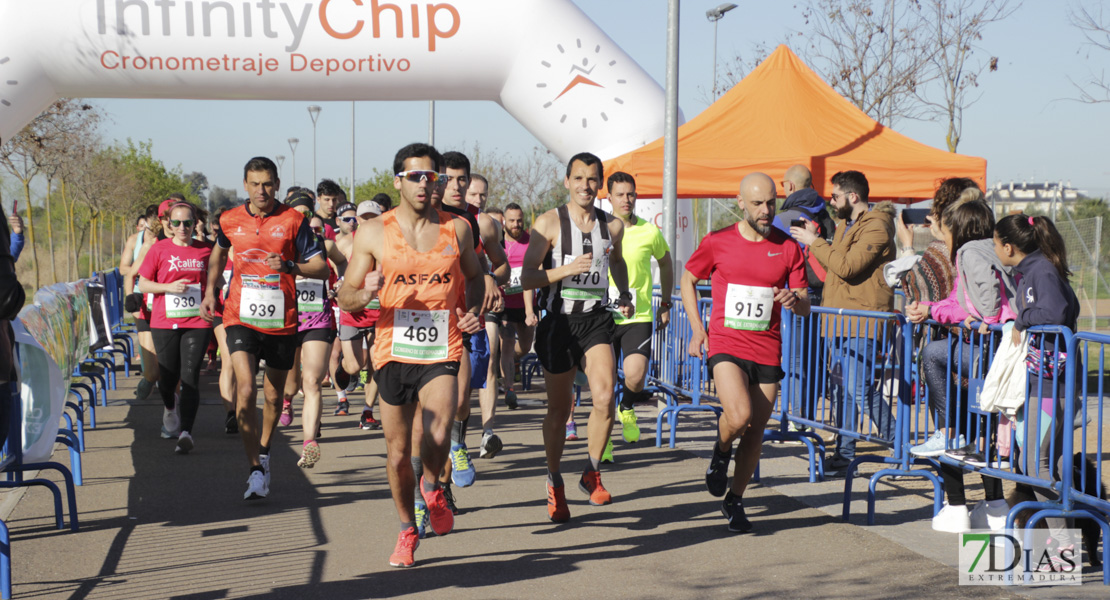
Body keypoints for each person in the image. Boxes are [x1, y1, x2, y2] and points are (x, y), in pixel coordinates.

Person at [337, 142, 485, 568]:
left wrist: (470, 311)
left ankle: (434, 488)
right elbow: (346, 294)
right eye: (415, 176)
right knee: (399, 454)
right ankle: (406, 529)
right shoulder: (373, 232)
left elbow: (474, 277)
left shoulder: (457, 229)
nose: (424, 184)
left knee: (440, 428)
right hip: (392, 349)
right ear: (398, 180)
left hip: (442, 344)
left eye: (431, 176)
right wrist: (364, 292)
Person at [683, 172, 809, 532]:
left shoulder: (788, 247)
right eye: (757, 203)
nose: (766, 210)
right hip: (726, 344)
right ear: (740, 203)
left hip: (767, 348)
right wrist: (697, 328)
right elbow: (688, 278)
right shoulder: (718, 242)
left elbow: (804, 303)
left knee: (756, 431)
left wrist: (794, 299)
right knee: (739, 416)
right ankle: (721, 451)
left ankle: (734, 500)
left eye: (771, 202)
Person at [201, 157, 328, 501]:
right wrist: (211, 290)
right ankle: (254, 468)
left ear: (276, 183)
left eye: (268, 183)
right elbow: (218, 254)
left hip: (281, 320)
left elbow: (322, 268)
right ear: (245, 185)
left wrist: (290, 265)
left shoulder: (293, 220)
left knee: (274, 395)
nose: (261, 190)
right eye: (255, 183)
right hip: (239, 315)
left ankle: (266, 451)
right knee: (246, 389)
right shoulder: (230, 219)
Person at [520, 151, 634, 522]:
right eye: (579, 178)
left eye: (592, 179)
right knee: (559, 408)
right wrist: (565, 270)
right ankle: (554, 480)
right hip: (558, 322)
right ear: (567, 182)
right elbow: (527, 277)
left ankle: (591, 469)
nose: (586, 186)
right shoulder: (549, 223)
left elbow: (616, 261)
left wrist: (626, 293)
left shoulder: (612, 226)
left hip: (596, 320)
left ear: (600, 185)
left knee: (605, 396)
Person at [904, 194, 1014, 533]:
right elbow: (959, 299)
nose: (936, 228)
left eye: (941, 222)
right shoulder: (984, 250)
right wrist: (934, 309)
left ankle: (947, 435)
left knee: (934, 354)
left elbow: (985, 305)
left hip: (986, 350)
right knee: (983, 439)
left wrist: (956, 315)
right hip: (986, 349)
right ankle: (992, 508)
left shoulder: (967, 253)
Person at [790, 170, 896, 478]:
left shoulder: (877, 226)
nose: (831, 201)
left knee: (858, 388)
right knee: (842, 392)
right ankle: (844, 454)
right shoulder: (844, 226)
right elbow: (834, 267)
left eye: (835, 196)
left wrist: (815, 241)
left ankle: (898, 442)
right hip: (839, 321)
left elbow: (848, 267)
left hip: (862, 320)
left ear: (853, 197)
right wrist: (819, 241)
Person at [993, 213, 1080, 559]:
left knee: (1035, 464)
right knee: (1049, 464)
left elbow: (1055, 313)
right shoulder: (1035, 269)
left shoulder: (1040, 271)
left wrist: (1022, 318)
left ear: (1009, 247)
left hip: (1049, 388)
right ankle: (1063, 541)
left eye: (996, 244)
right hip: (1045, 385)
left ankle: (1062, 546)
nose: (995, 250)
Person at [437, 151, 510, 496]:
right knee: (426, 414)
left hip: (464, 319)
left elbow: (502, 265)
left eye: (461, 179)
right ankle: (434, 491)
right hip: (423, 322)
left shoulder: (480, 224)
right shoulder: (420, 219)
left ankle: (457, 447)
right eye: (448, 178)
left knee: (461, 398)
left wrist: (490, 277)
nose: (456, 186)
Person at [136, 202, 214, 454]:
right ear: (168, 223)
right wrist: (168, 288)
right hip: (164, 321)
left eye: (188, 223)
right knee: (168, 378)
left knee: (190, 376)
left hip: (197, 321)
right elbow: (144, 284)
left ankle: (186, 432)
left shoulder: (206, 250)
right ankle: (170, 407)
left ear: (195, 223)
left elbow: (216, 281)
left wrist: (210, 297)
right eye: (177, 222)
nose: (183, 227)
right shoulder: (159, 250)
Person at [606, 172, 672, 448]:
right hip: (603, 315)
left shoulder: (649, 230)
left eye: (630, 194)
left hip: (639, 314)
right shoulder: (600, 229)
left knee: (635, 374)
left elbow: (666, 264)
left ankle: (627, 406)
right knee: (604, 384)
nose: (626, 200)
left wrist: (666, 303)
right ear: (608, 197)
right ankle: (603, 443)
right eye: (620, 194)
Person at [283, 215, 346, 468]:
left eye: (316, 228)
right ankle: (286, 402)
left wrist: (341, 283)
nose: (311, 231)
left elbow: (343, 262)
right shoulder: (280, 246)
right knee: (289, 386)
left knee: (312, 382)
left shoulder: (325, 245)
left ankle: (309, 442)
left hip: (317, 320)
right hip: (286, 320)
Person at [333, 199, 387, 421]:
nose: (368, 222)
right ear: (357, 220)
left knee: (377, 362)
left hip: (379, 313)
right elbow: (334, 264)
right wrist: (339, 282)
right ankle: (344, 367)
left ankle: (367, 410)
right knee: (355, 366)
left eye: (373, 218)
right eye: (364, 218)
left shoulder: (387, 243)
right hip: (353, 312)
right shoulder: (346, 243)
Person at [496, 203, 537, 410]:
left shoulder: (531, 242)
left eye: (519, 220)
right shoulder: (498, 243)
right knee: (508, 342)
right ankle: (510, 389)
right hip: (504, 304)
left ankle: (510, 363)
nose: (516, 224)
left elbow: (538, 269)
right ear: (504, 220)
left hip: (527, 303)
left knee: (526, 346)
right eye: (511, 220)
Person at [122, 204, 162, 403]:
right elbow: (127, 271)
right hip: (143, 298)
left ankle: (172, 411)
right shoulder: (143, 244)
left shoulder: (178, 243)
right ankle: (149, 378)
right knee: (152, 361)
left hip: (171, 305)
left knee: (170, 361)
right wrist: (131, 295)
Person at [207, 206, 239, 434]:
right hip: (223, 313)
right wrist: (218, 284)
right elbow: (208, 277)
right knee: (228, 360)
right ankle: (231, 413)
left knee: (244, 365)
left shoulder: (251, 249)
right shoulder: (217, 252)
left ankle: (242, 408)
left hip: (250, 314)